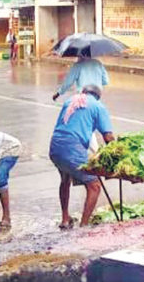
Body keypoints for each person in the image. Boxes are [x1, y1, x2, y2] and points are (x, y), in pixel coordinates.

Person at [49, 85, 115, 229]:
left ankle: (65, 219)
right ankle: (84, 225)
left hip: (55, 145)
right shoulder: (98, 106)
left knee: (65, 179)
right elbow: (108, 136)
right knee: (94, 185)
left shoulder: (70, 101)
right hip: (72, 147)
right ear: (97, 96)